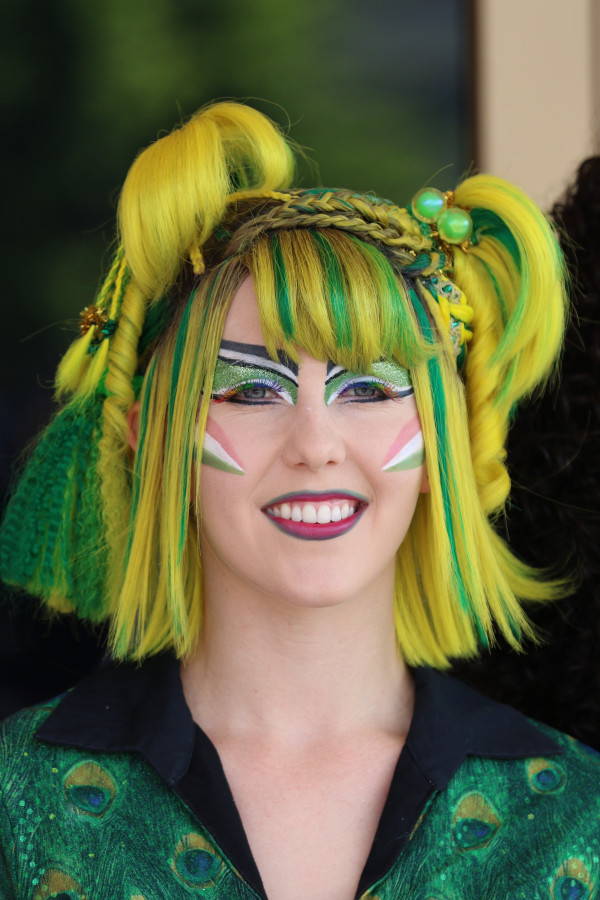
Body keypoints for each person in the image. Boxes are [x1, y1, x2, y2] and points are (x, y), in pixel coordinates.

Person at [0, 102, 598, 900]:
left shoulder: (576, 816)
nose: (315, 444)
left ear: (443, 445)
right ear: (153, 440)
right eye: (251, 390)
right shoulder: (15, 797)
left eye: (369, 389)